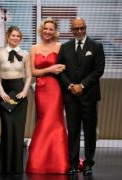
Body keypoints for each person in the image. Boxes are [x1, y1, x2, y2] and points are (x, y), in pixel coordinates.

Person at [57, 17, 105, 176]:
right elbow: (60, 70)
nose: (79, 31)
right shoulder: (65, 47)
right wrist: (71, 86)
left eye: (81, 28)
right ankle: (73, 164)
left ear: (86, 27)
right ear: (71, 30)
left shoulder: (96, 46)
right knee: (73, 131)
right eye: (76, 29)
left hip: (89, 96)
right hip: (71, 97)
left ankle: (89, 163)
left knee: (90, 131)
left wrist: (82, 85)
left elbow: (99, 70)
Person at [26, 17, 69, 174]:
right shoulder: (34, 48)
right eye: (46, 28)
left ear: (55, 31)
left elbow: (65, 67)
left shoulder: (60, 47)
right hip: (41, 88)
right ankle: (38, 163)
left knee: (55, 122)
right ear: (41, 30)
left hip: (56, 88)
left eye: (51, 29)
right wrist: (49, 70)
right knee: (43, 121)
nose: (48, 31)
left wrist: (59, 69)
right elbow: (33, 72)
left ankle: (59, 162)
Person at [0, 26, 32, 175]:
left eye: (18, 36)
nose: (15, 38)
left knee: (18, 129)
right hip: (5, 93)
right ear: (8, 36)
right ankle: (4, 166)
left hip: (19, 93)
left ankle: (16, 167)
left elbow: (29, 75)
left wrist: (24, 91)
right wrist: (1, 92)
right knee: (7, 128)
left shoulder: (26, 54)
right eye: (13, 36)